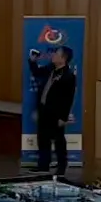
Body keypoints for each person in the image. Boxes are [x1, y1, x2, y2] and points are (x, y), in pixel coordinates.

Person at [28, 46, 76, 175]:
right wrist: (32, 61)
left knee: (59, 140)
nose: (53, 55)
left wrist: (63, 117)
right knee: (43, 139)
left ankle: (61, 167)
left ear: (63, 58)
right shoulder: (50, 68)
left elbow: (68, 99)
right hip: (44, 110)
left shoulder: (68, 76)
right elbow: (37, 73)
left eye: (56, 53)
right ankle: (43, 166)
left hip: (56, 114)